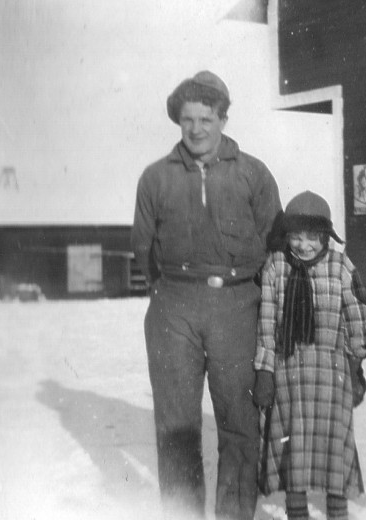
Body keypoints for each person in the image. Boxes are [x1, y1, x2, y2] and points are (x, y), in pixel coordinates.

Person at [131, 70, 281, 520]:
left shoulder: (253, 173)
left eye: (206, 119)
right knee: (176, 423)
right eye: (187, 119)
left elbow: (275, 242)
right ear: (178, 121)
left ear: (223, 119)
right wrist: (167, 293)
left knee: (238, 419)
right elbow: (142, 246)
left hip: (237, 305)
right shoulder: (156, 177)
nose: (196, 129)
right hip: (174, 306)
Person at [253, 191, 366, 520]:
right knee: (294, 453)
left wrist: (356, 363)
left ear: (325, 236)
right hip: (288, 374)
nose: (304, 245)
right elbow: (266, 322)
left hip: (331, 376)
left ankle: (338, 513)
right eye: (296, 236)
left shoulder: (339, 265)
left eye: (312, 237)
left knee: (333, 454)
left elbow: (359, 315)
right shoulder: (277, 266)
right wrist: (265, 370)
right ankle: (297, 514)